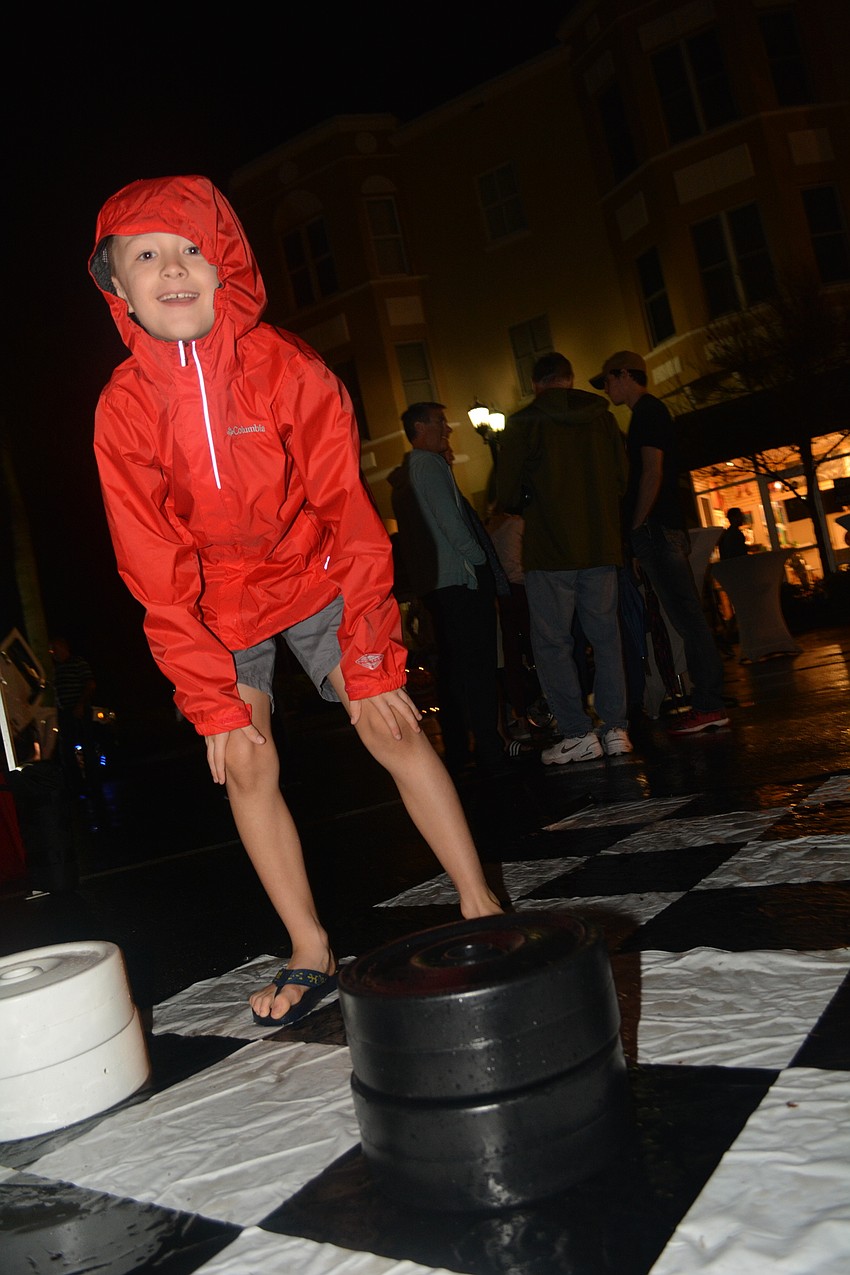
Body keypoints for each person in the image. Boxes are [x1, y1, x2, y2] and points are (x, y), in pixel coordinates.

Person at [88, 175, 501, 1027]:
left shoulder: (288, 368)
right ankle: (309, 945)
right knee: (245, 758)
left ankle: (480, 903)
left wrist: (373, 650)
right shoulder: (122, 411)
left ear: (227, 264)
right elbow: (151, 564)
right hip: (213, 605)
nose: (173, 269)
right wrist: (209, 698)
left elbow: (346, 515)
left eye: (193, 249)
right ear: (116, 285)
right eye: (147, 255)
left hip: (312, 575)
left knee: (389, 720)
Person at [497, 353, 633, 764]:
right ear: (570, 381)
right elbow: (621, 479)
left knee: (553, 643)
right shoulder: (602, 418)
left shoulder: (525, 423)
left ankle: (576, 732)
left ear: (537, 384)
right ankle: (616, 729)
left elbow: (506, 492)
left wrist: (529, 502)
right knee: (606, 638)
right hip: (599, 544)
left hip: (550, 549)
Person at [590, 350, 729, 735]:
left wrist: (636, 527)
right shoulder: (648, 413)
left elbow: (652, 472)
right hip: (660, 528)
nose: (607, 389)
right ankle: (709, 701)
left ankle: (709, 702)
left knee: (687, 618)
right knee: (687, 617)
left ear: (623, 375)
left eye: (607, 380)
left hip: (657, 529)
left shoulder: (648, 413)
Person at [388, 403, 508, 776]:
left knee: (457, 667)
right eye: (441, 421)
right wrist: (479, 561)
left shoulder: (412, 472)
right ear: (420, 426)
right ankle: (489, 745)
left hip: (441, 582)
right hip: (460, 580)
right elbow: (452, 522)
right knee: (478, 665)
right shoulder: (426, 464)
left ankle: (463, 745)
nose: (448, 429)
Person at [49, 636, 101, 797]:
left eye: (55, 649)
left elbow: (90, 684)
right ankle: (77, 786)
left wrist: (80, 704)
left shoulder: (78, 663)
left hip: (79, 709)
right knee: (66, 749)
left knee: (87, 746)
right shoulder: (57, 668)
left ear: (63, 648)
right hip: (65, 711)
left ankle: (93, 784)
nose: (53, 653)